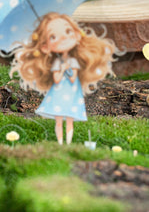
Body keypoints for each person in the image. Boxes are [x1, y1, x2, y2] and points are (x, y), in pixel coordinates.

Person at [10, 12, 116, 145]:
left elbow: (73, 79)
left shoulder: (73, 61)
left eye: (68, 31)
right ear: (45, 47)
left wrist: (69, 69)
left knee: (70, 120)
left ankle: (68, 143)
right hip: (58, 93)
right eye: (53, 36)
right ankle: (60, 143)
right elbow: (56, 79)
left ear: (77, 35)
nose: (63, 38)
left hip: (72, 92)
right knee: (59, 120)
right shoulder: (57, 63)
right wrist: (62, 69)